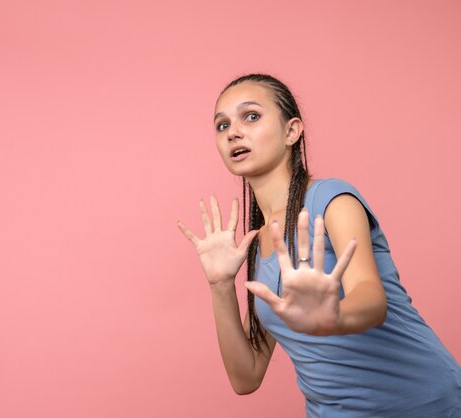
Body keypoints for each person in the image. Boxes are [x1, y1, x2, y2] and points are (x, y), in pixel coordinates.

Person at [176, 73, 461, 417]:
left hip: (423, 403)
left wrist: (333, 316)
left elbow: (372, 298)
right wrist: (220, 285)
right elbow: (246, 377)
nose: (234, 131)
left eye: (251, 116)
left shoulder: (331, 200)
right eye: (222, 125)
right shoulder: (258, 244)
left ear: (291, 131)